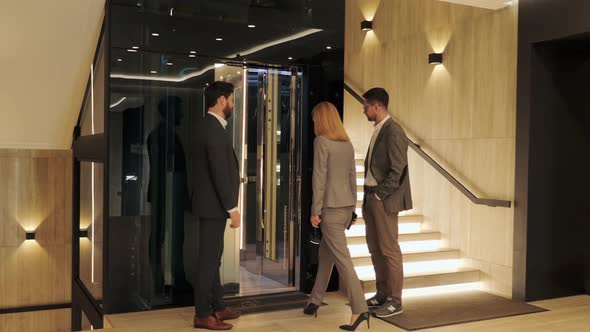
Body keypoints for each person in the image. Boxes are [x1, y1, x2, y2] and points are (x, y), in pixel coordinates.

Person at [303, 102, 370, 331]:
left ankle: (360, 309)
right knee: (326, 254)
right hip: (344, 208)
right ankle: (314, 300)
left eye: (314, 119)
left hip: (329, 210)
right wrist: (353, 208)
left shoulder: (321, 141)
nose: (313, 123)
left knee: (342, 260)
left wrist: (315, 210)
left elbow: (319, 179)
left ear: (320, 120)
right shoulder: (347, 145)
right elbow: (353, 179)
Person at [191, 81, 241, 330]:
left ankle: (218, 307)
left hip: (210, 206)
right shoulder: (212, 128)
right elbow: (219, 172)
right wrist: (232, 208)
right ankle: (202, 314)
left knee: (213, 259)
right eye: (232, 99)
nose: (233, 104)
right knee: (209, 261)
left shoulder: (209, 126)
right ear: (222, 100)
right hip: (214, 206)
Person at [360, 87, 412, 318]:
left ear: (377, 106)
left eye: (366, 106)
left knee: (389, 250)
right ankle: (382, 294)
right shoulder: (379, 129)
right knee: (374, 248)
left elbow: (398, 169)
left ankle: (396, 301)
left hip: (383, 200)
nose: (364, 110)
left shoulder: (394, 131)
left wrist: (380, 194)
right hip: (371, 197)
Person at [146, 95, 190, 302]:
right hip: (168, 194)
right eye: (179, 109)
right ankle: (166, 281)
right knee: (166, 237)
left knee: (162, 236)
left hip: (165, 193)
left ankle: (163, 279)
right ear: (171, 112)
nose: (182, 114)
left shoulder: (162, 134)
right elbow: (171, 170)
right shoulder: (164, 135)